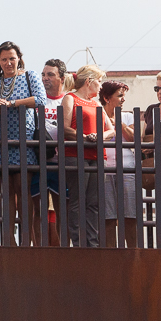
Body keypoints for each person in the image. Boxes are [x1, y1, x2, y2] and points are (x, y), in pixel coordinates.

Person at [0, 41, 49, 246]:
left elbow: (40, 100)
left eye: (12, 58)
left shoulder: (30, 76)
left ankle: (26, 238)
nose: (8, 63)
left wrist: (12, 103)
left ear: (19, 58)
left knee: (23, 188)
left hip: (23, 139)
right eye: (4, 59)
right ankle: (9, 238)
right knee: (6, 191)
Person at [58, 65, 113, 248]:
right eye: (99, 81)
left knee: (94, 202)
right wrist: (84, 137)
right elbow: (65, 127)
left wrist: (98, 136)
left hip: (97, 155)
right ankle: (79, 242)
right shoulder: (70, 98)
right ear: (89, 81)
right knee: (77, 199)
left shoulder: (97, 104)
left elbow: (111, 130)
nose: (101, 85)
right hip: (76, 154)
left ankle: (92, 243)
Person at [96, 79, 143, 247]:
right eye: (120, 95)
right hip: (105, 168)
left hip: (128, 168)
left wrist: (120, 124)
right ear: (107, 98)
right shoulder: (97, 115)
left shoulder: (128, 116)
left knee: (130, 214)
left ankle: (132, 253)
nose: (123, 99)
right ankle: (111, 255)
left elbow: (136, 139)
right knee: (108, 216)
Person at [36, 59, 70, 244]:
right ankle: (36, 251)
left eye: (50, 74)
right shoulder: (37, 100)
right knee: (35, 210)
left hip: (61, 163)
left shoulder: (68, 101)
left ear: (62, 78)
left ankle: (64, 250)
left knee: (62, 210)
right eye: (43, 74)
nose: (45, 78)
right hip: (37, 162)